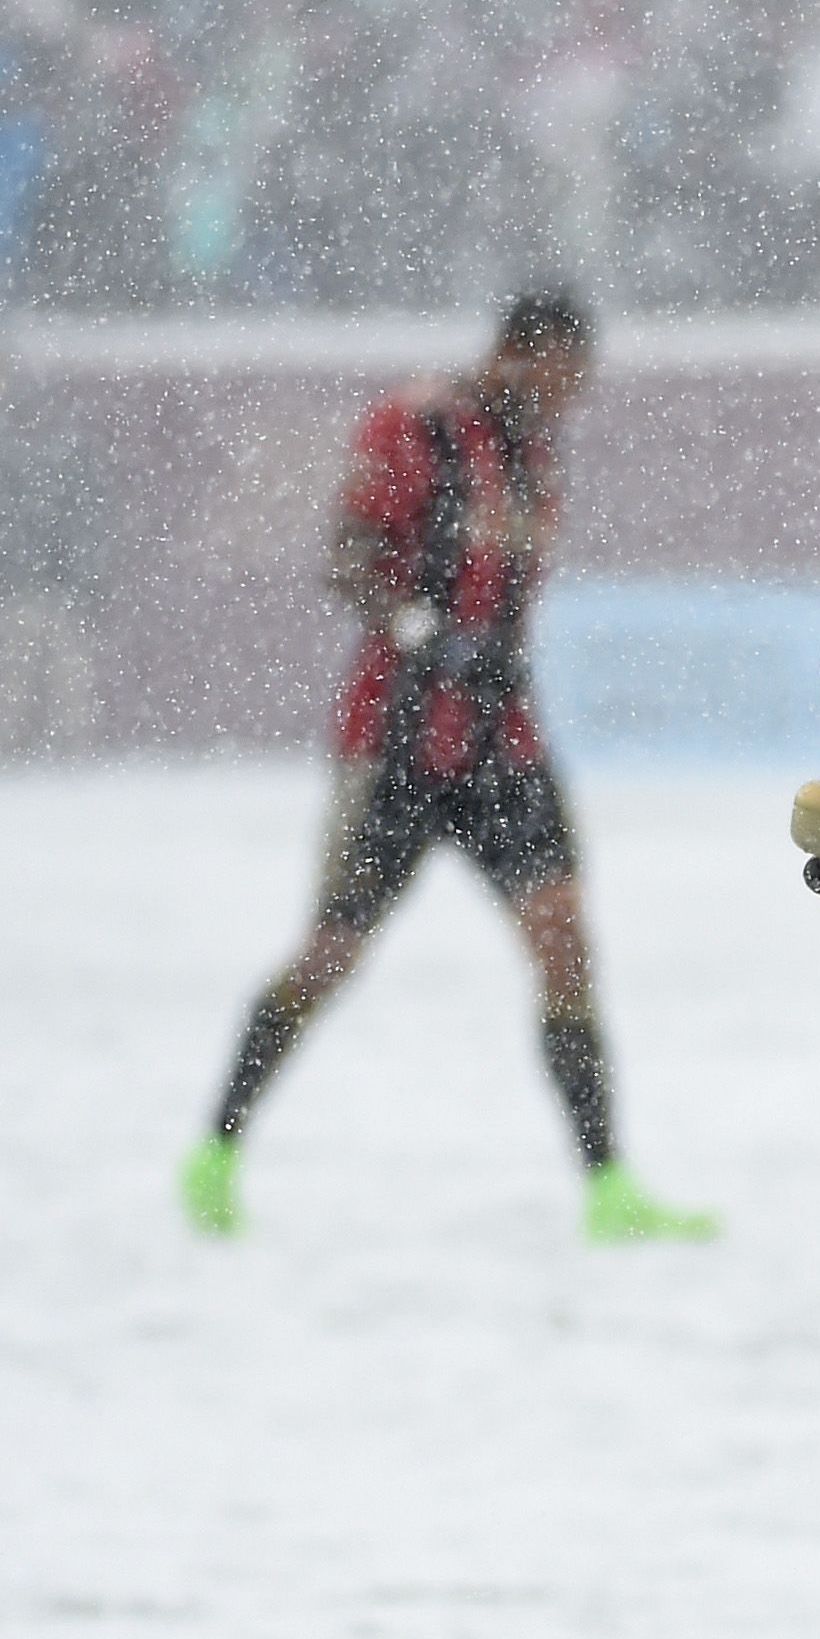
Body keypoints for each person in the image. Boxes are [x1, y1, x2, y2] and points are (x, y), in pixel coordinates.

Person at [178, 286, 712, 1242]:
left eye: (576, 386)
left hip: (503, 742)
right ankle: (215, 1151)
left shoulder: (534, 454)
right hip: (397, 743)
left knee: (563, 941)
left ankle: (608, 1187)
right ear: (514, 352)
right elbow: (347, 559)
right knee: (330, 954)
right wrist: (427, 634)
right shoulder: (415, 428)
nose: (565, 401)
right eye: (556, 378)